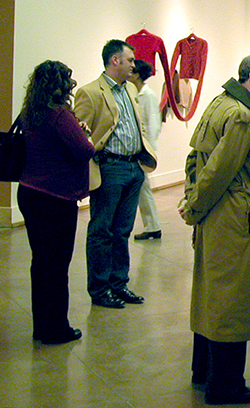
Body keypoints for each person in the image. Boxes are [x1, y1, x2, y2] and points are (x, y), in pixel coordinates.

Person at [178, 53, 250, 405]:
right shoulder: (241, 116)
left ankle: (203, 372)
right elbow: (217, 172)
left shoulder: (220, 103)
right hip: (235, 221)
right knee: (232, 302)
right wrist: (194, 207)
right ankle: (225, 385)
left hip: (219, 218)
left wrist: (194, 202)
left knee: (212, 295)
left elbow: (194, 160)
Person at [74, 39, 157, 309]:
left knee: (123, 230)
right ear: (116, 60)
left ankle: (119, 284)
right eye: (130, 60)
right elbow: (79, 131)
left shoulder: (130, 90)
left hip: (133, 167)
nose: (134, 65)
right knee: (102, 231)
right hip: (109, 167)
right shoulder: (90, 92)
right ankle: (100, 289)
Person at [17, 61, 95, 344]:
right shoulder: (61, 115)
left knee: (40, 263)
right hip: (56, 197)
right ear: (62, 85)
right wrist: (85, 132)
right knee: (58, 263)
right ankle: (56, 329)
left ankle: (42, 326)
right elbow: (85, 149)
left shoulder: (30, 113)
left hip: (29, 191)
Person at [130, 59, 163, 240]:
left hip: (142, 150)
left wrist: (147, 150)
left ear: (137, 74)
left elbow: (153, 124)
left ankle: (153, 227)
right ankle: (152, 226)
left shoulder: (147, 95)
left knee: (143, 187)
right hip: (134, 149)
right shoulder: (131, 92)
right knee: (143, 188)